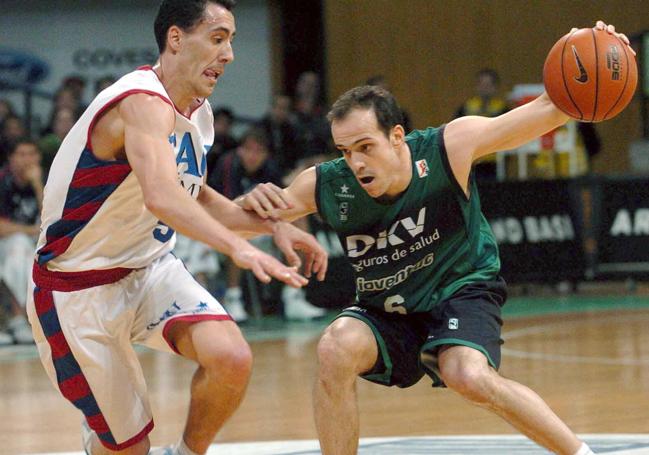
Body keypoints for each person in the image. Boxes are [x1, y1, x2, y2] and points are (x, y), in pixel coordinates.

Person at [238, 21, 631, 455]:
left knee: (468, 375)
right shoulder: (329, 184)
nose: (355, 162)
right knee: (334, 347)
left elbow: (553, 108)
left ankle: (580, 453)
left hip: (459, 288)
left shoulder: (451, 147)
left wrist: (603, 61)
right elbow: (236, 220)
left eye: (366, 147)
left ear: (398, 137)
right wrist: (248, 206)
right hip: (389, 306)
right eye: (345, 151)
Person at [25, 1, 327, 455]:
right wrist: (237, 249)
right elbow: (161, 196)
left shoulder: (197, 110)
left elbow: (194, 194)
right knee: (128, 449)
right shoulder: (140, 101)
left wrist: (272, 225)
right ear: (176, 38)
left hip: (147, 269)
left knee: (231, 357)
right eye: (218, 38)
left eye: (232, 41)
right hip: (75, 290)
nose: (229, 54)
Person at [209, 127, 325, 322]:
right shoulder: (229, 164)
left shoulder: (270, 168)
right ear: (240, 150)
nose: (253, 156)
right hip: (216, 228)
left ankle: (294, 295)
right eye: (248, 150)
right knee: (236, 234)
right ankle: (232, 297)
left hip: (263, 225)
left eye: (258, 151)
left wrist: (278, 226)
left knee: (299, 218)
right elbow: (228, 212)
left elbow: (283, 205)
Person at [0, 138, 43, 345]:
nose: (28, 160)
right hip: (6, 243)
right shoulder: (3, 182)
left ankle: (37, 318)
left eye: (32, 154)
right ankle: (19, 318)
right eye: (22, 154)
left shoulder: (43, 181)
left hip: (33, 240)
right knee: (19, 246)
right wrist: (31, 230)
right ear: (11, 158)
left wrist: (37, 185)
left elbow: (52, 218)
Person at [454, 68, 509, 181]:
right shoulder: (466, 108)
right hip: (471, 161)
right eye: (482, 84)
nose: (485, 89)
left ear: (495, 87)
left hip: (495, 162)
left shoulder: (503, 109)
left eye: (489, 85)